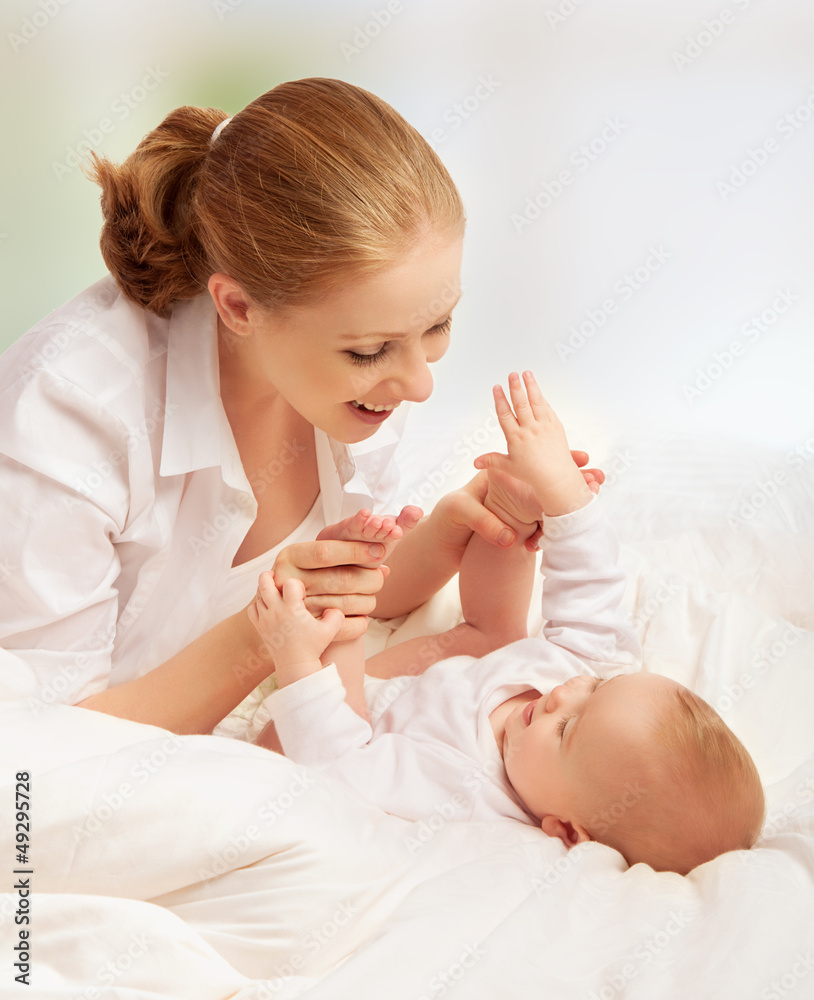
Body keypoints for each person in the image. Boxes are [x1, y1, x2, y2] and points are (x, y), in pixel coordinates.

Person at [0, 77, 605, 735]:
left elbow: (341, 596)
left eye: (437, 325)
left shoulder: (357, 388)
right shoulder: (71, 415)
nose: (419, 384)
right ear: (238, 307)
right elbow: (46, 753)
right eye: (372, 349)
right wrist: (264, 634)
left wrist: (455, 532)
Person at [248, 371, 766, 876]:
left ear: (564, 830)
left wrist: (310, 654)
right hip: (476, 653)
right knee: (494, 632)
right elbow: (593, 587)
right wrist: (561, 495)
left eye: (566, 729)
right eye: (596, 687)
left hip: (347, 728)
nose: (563, 693)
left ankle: (343, 607)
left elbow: (339, 768)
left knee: (341, 678)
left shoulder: (465, 795)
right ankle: (509, 512)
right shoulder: (579, 684)